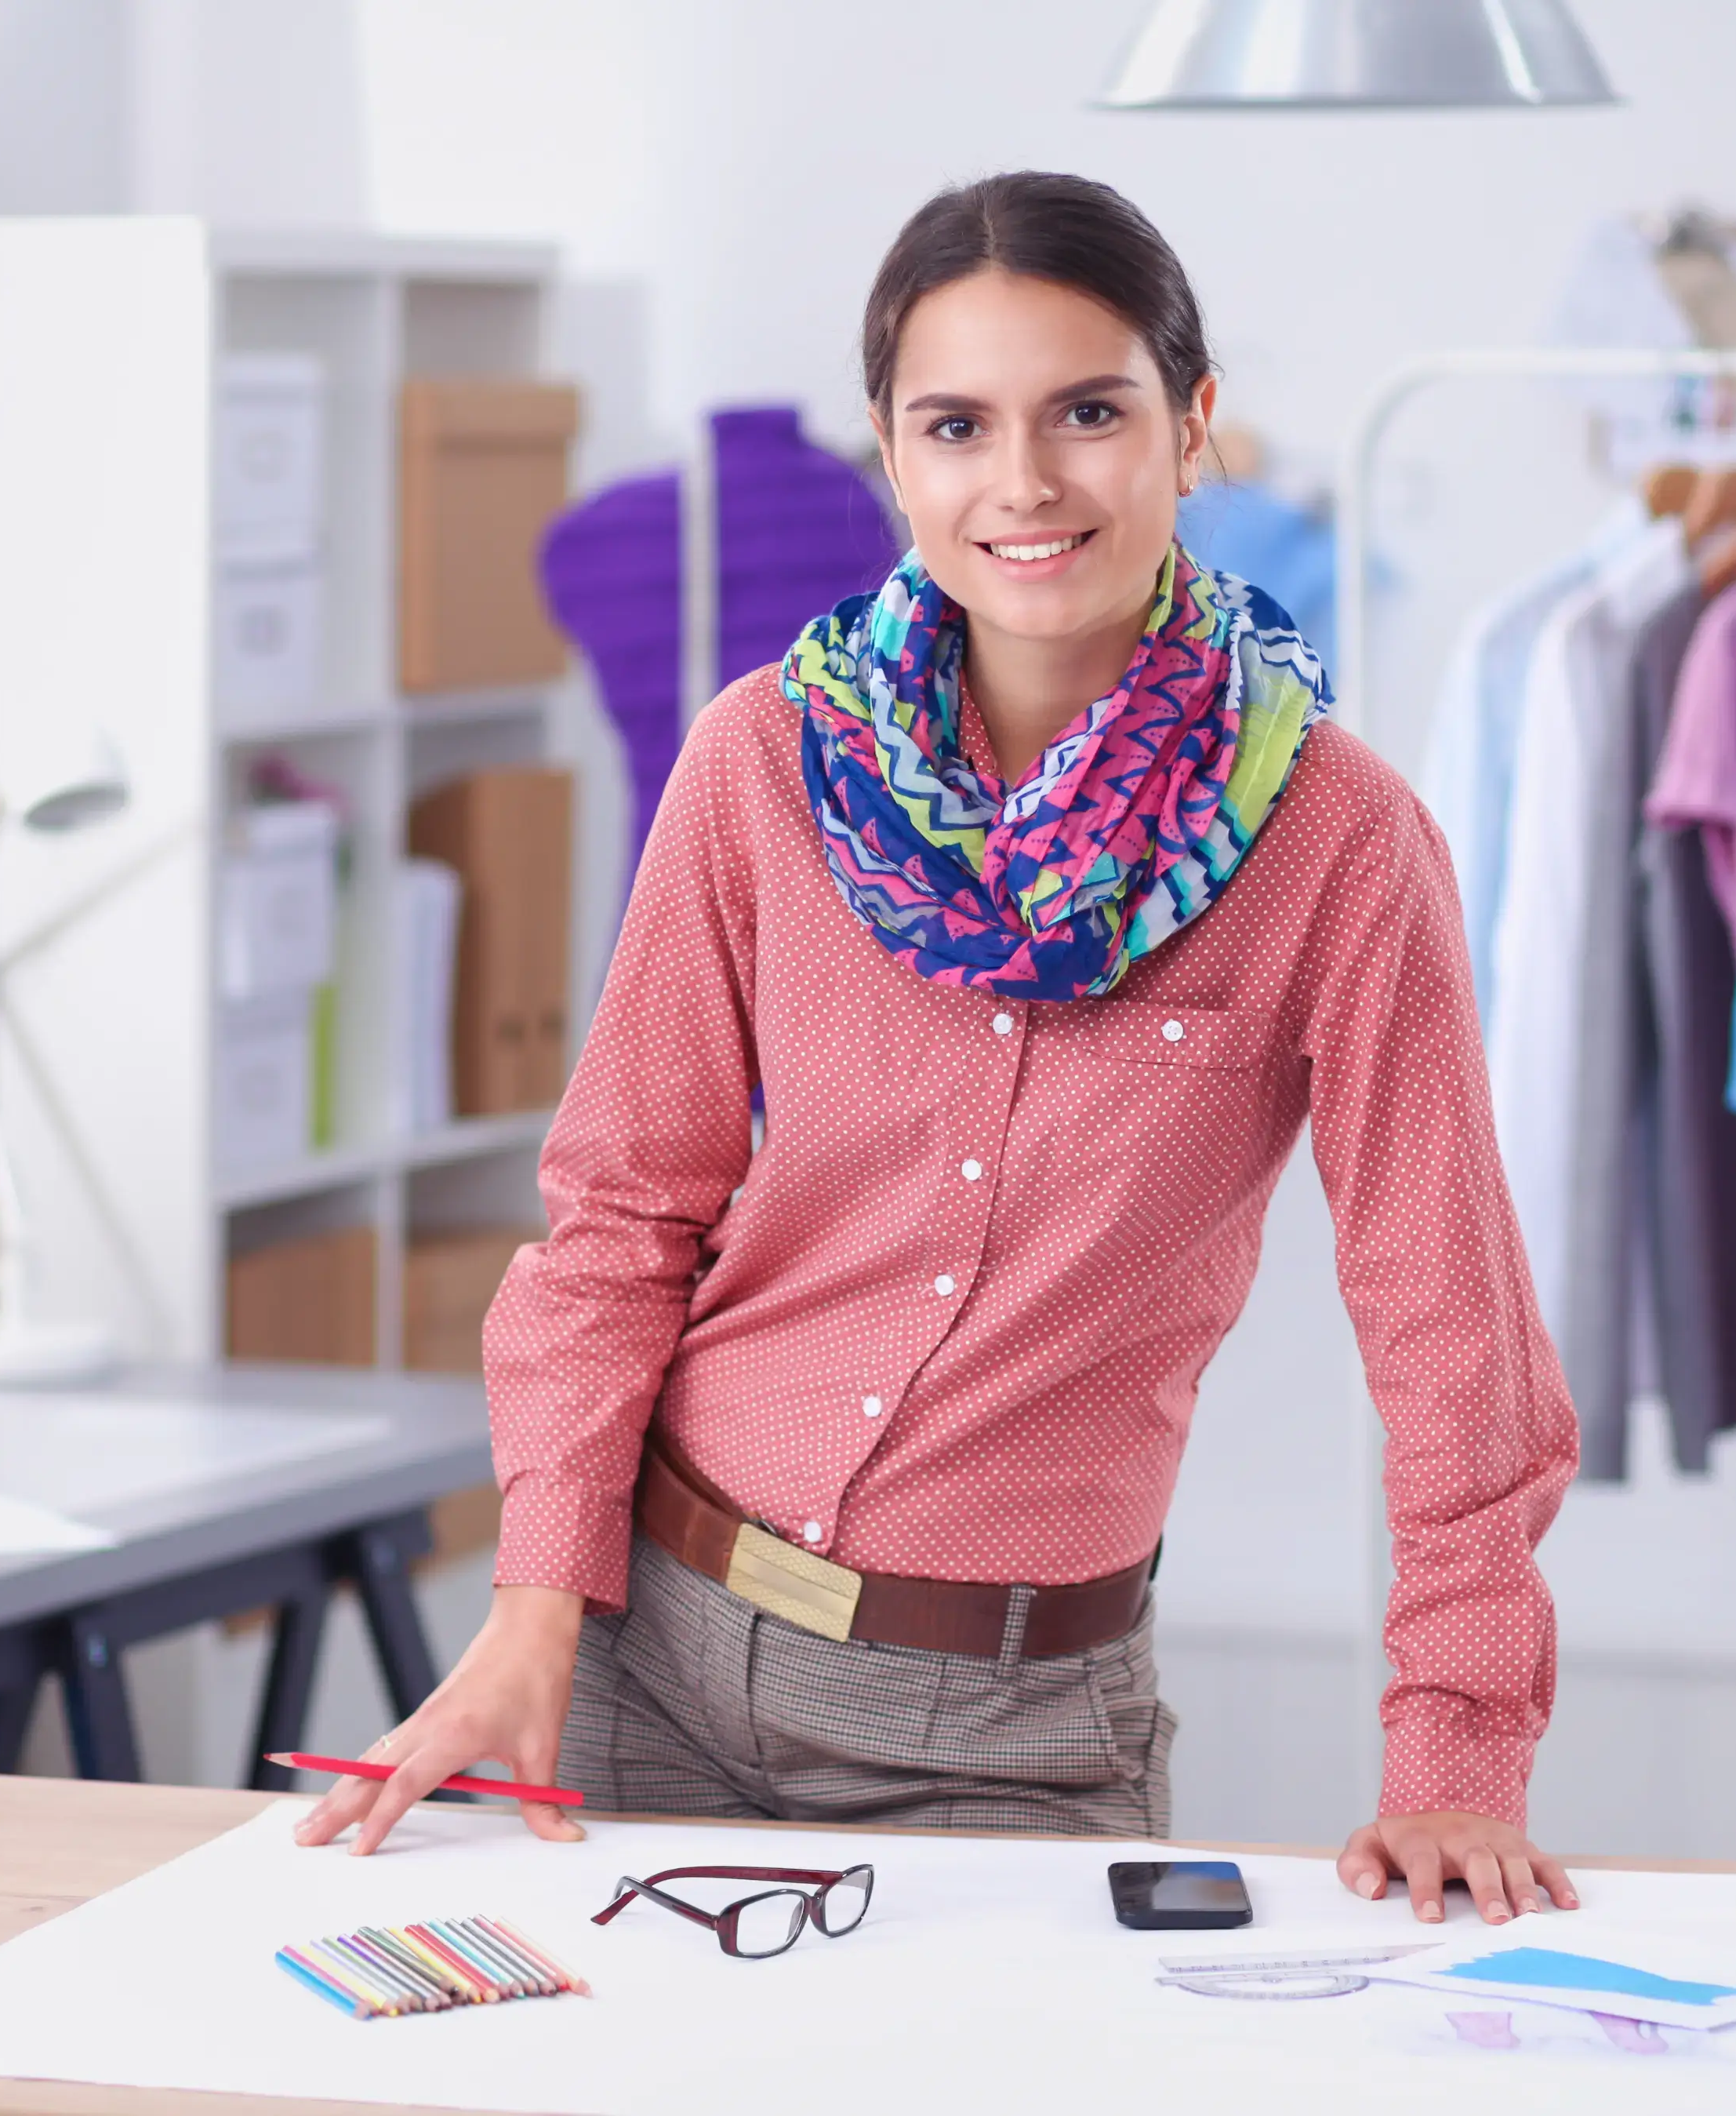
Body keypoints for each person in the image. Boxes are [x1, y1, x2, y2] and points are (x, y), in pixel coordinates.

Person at [301, 171, 1581, 1926]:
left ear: (1190, 427)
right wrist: (533, 1608)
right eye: (956, 425)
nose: (1024, 481)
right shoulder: (756, 763)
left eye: (1087, 412)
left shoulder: (1339, 845)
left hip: (1010, 1733)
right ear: (892, 461)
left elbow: (1453, 1327)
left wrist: (1455, 1756)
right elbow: (618, 1216)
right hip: (640, 1658)